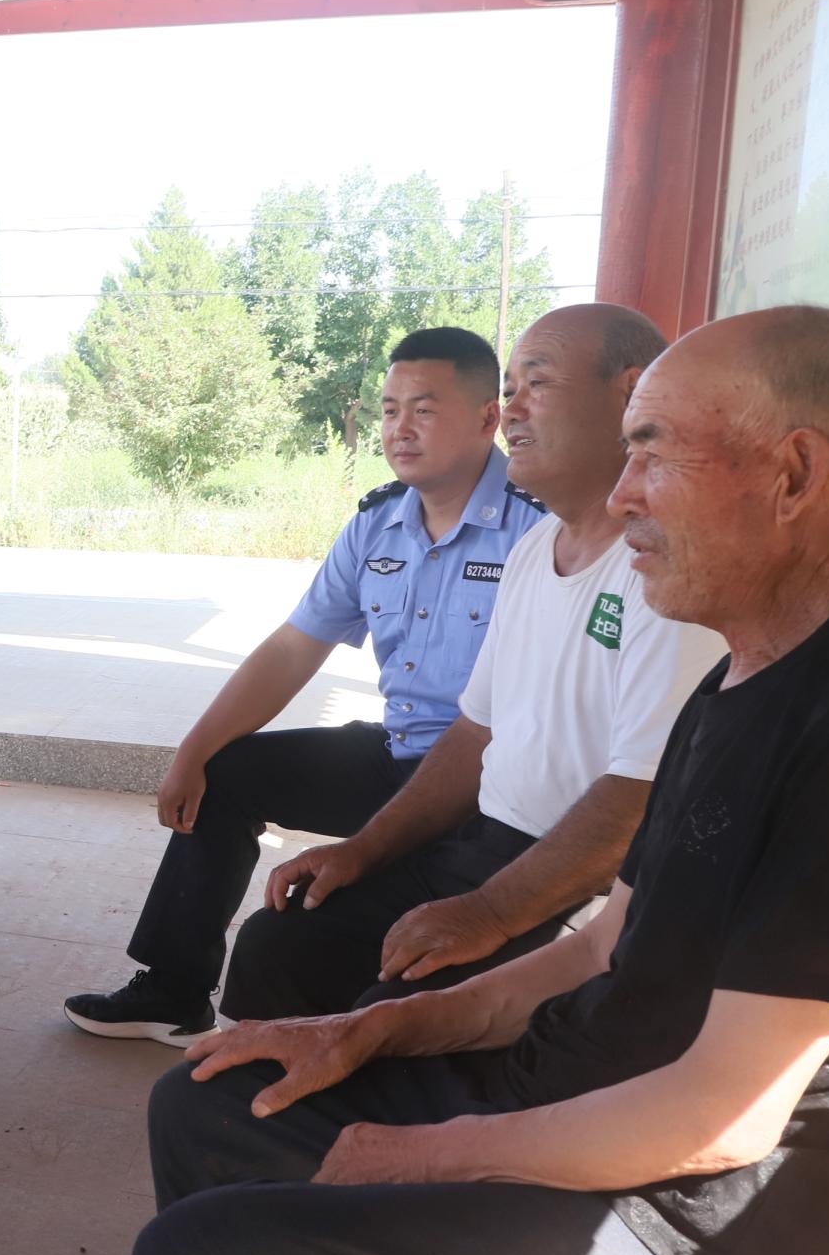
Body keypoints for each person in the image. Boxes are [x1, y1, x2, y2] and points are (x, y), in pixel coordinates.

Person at [129, 303, 829, 1255]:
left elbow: (723, 1118)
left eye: (653, 449)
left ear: (793, 474)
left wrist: (431, 1156)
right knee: (209, 1099)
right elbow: (598, 948)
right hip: (597, 1094)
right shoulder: (745, 669)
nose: (626, 491)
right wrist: (363, 1030)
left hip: (732, 1249)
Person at [214, 304, 726, 1021]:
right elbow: (474, 731)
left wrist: (488, 912)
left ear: (630, 394)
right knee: (282, 941)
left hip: (587, 886)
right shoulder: (533, 550)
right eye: (509, 389)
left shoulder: (670, 569)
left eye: (535, 384)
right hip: (485, 843)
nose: (510, 411)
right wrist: (361, 851)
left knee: (391, 1010)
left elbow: (640, 799)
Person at [64, 327, 540, 1046]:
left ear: (486, 418)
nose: (400, 428)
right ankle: (172, 990)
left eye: (424, 409)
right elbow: (293, 649)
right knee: (226, 772)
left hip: (486, 785)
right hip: (397, 755)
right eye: (389, 410)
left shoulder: (537, 528)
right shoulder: (377, 525)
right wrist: (193, 749)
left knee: (309, 933)